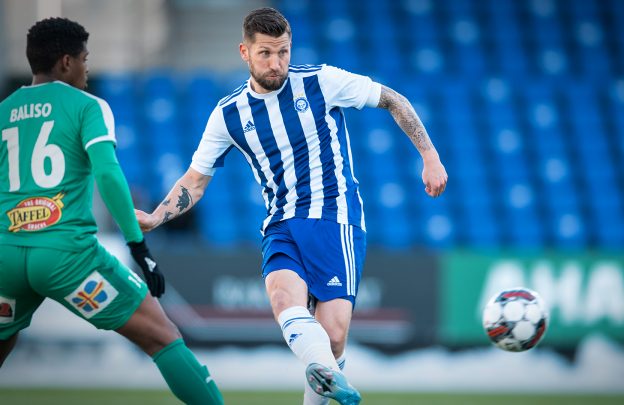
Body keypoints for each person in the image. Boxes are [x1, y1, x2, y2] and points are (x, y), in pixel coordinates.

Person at [135, 7, 447, 405]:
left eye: (283, 52)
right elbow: (194, 181)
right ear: (244, 52)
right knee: (284, 299)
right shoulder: (228, 114)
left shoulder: (321, 81)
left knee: (331, 339)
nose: (276, 62)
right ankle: (326, 373)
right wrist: (157, 216)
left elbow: (392, 99)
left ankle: (324, 374)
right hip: (281, 223)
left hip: (336, 219)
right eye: (265, 53)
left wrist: (430, 155)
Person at [0, 17, 224, 405]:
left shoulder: (4, 110)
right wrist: (139, 248)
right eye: (85, 59)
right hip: (66, 257)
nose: (88, 69)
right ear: (67, 62)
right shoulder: (88, 106)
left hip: (6, 257)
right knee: (163, 336)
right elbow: (107, 172)